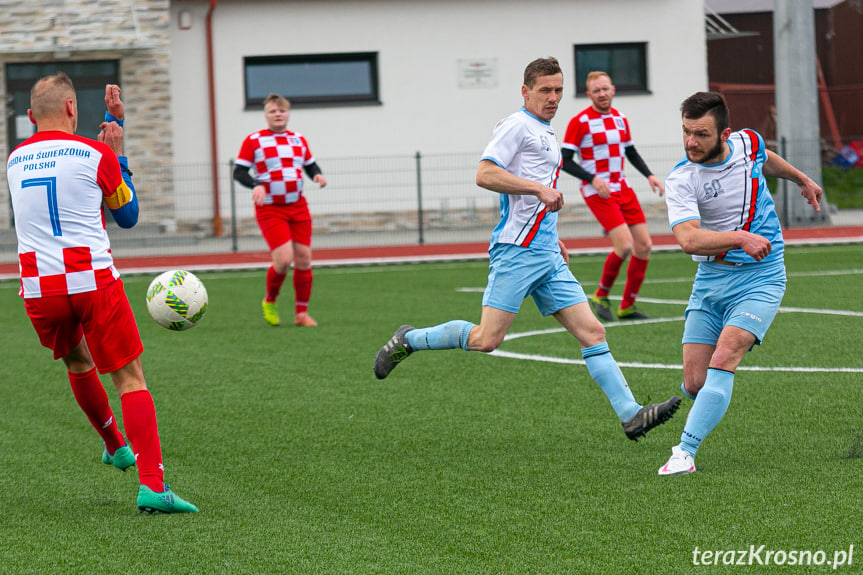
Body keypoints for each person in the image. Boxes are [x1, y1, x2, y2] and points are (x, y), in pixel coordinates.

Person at [374, 58, 680, 441]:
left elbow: (536, 197)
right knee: (488, 339)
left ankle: (631, 415)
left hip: (546, 252)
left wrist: (554, 238)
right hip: (517, 251)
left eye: (558, 90)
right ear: (525, 91)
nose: (553, 98)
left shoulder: (546, 131)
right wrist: (538, 189)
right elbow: (485, 173)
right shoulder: (516, 125)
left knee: (593, 332)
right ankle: (410, 339)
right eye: (544, 91)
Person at [6, 73, 197, 513]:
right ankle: (152, 485)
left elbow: (61, 171)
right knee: (130, 379)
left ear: (31, 116)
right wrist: (118, 153)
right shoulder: (97, 154)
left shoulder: (15, 159)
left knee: (78, 362)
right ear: (73, 108)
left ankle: (115, 446)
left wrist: (103, 145)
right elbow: (126, 215)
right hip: (91, 280)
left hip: (39, 287)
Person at [658, 91, 822, 475]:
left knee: (726, 355)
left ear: (725, 134)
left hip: (761, 278)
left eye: (700, 134)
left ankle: (684, 452)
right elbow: (688, 241)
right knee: (696, 381)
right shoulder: (682, 179)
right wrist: (740, 237)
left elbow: (766, 158)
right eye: (686, 132)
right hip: (711, 280)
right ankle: (694, 403)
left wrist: (800, 177)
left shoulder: (747, 142)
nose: (690, 142)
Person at [561, 71, 664, 321]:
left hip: (622, 188)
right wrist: (593, 179)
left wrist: (649, 175)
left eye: (605, 89)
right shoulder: (580, 121)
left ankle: (627, 306)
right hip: (597, 192)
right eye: (596, 91)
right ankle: (601, 295)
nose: (602, 94)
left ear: (613, 90)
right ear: (589, 95)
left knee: (644, 246)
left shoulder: (620, 118)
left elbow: (630, 151)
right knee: (625, 245)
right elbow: (564, 160)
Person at [233, 93, 327, 327]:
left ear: (288, 114)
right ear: (266, 115)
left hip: (298, 206)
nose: (278, 115)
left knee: (304, 258)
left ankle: (301, 314)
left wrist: (317, 174)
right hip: (270, 209)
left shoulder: (298, 139)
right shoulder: (254, 140)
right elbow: (239, 172)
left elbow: (309, 164)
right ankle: (270, 300)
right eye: (273, 111)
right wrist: (257, 184)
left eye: (282, 111)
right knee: (284, 261)